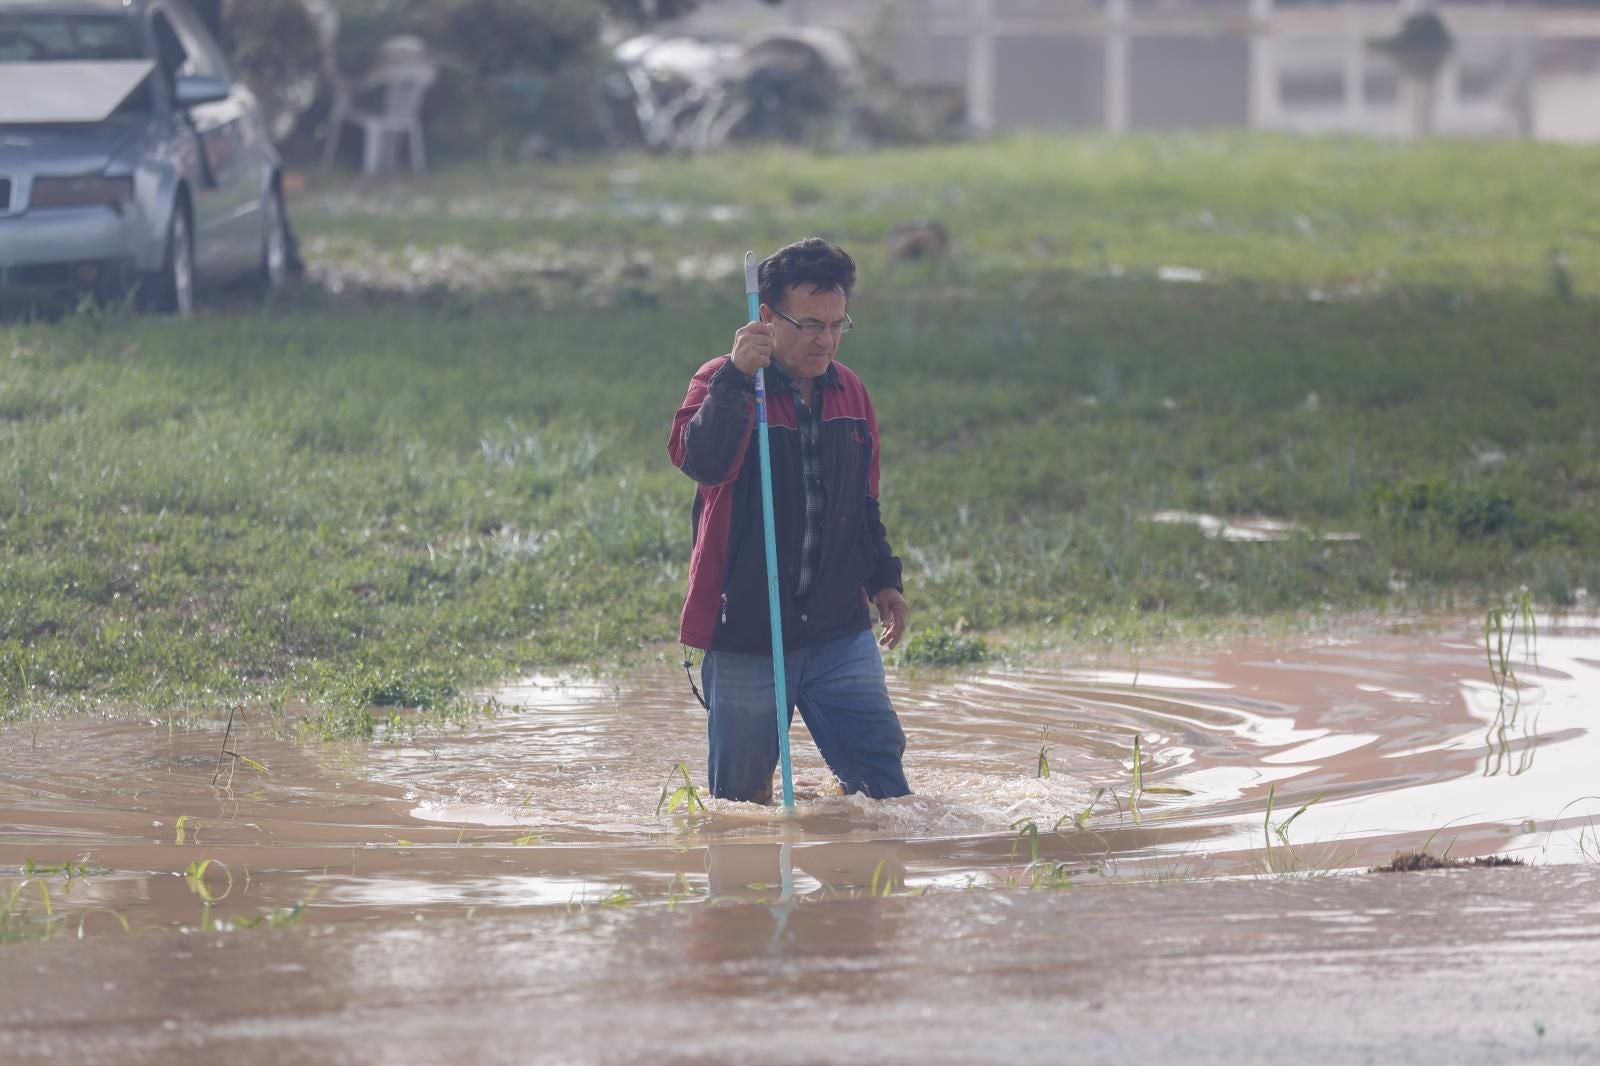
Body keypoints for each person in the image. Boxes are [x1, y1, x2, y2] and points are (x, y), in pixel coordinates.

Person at [668, 238, 911, 805]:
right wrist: (733, 379)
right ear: (766, 318)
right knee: (739, 807)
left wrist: (884, 580)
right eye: (809, 325)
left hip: (839, 629)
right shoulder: (721, 382)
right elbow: (699, 460)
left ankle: (862, 892)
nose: (825, 339)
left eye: (836, 323)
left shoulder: (851, 392)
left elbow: (862, 503)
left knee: (884, 791)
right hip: (748, 632)